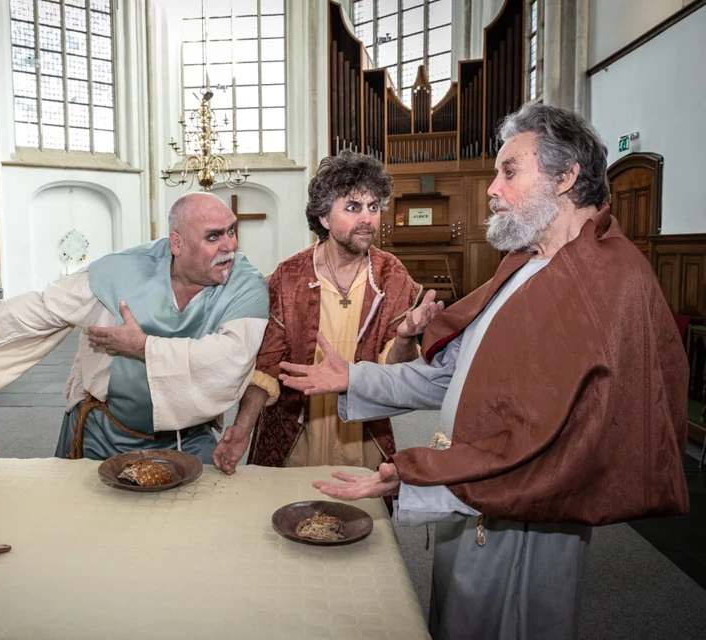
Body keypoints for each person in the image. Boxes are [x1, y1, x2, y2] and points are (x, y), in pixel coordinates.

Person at [280, 104, 689, 639]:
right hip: (472, 489)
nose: (492, 189)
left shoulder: (606, 283)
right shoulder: (530, 262)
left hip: (525, 521)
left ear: (565, 178)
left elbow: (573, 446)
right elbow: (454, 376)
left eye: (509, 172)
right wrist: (354, 379)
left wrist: (421, 480)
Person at [0, 192, 269, 462]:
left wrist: (141, 346)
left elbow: (228, 361)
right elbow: (42, 308)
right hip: (103, 434)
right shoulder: (120, 272)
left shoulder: (246, 286)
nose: (229, 246)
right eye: (214, 236)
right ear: (177, 243)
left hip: (189, 441)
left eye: (232, 231)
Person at [213, 150, 443, 476]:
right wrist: (241, 430)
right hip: (295, 431)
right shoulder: (289, 276)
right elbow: (265, 367)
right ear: (324, 217)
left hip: (361, 433)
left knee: (359, 517)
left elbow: (396, 374)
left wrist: (405, 339)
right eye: (352, 207)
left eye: (373, 207)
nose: (367, 218)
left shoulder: (392, 275)